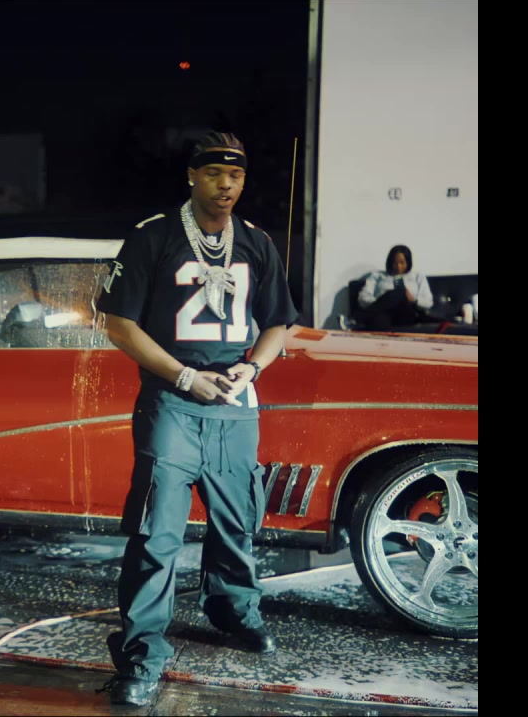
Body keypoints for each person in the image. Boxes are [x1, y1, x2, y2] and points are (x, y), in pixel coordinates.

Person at [95, 130, 298, 707]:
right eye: (213, 174)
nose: (225, 185)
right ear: (191, 176)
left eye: (235, 175)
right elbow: (119, 324)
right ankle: (142, 652)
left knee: (237, 519)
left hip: (235, 403)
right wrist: (184, 376)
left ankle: (234, 610)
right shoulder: (152, 236)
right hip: (173, 403)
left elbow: (278, 322)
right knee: (157, 530)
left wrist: (251, 368)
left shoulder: (256, 242)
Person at [356, 245, 434, 330]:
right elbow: (362, 298)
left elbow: (428, 302)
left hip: (407, 314)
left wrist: (413, 300)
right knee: (379, 319)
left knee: (401, 292)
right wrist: (382, 301)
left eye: (402, 262)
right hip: (384, 314)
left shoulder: (417, 276)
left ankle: (361, 318)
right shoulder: (378, 276)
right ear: (390, 262)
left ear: (408, 262)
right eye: (395, 263)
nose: (398, 266)